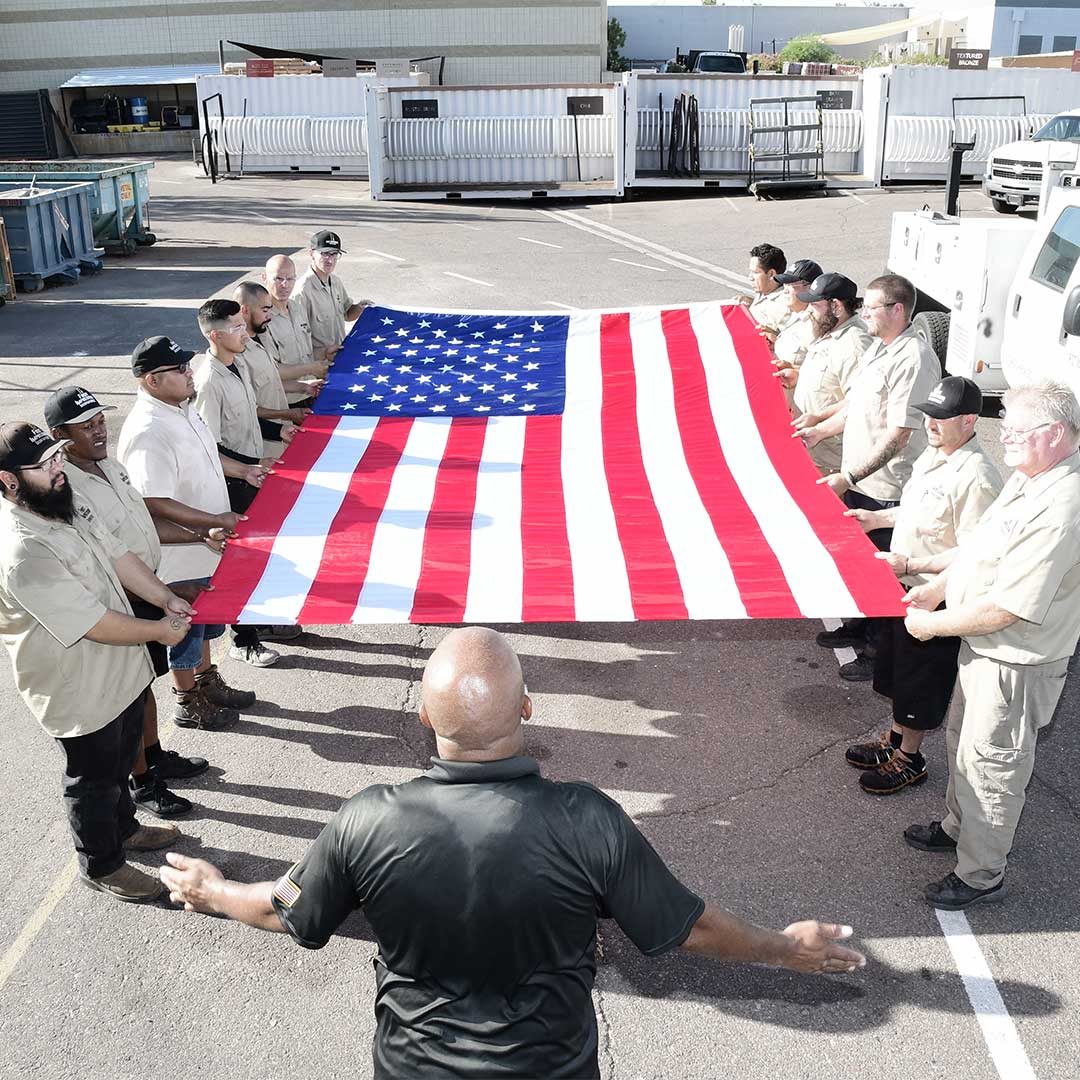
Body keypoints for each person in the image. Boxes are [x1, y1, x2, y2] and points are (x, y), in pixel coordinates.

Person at [162, 627, 866, 1078]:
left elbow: (286, 910)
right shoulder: (588, 819)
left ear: (424, 716)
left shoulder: (367, 819)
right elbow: (695, 927)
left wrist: (212, 889)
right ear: (528, 709)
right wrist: (783, 947)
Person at [903, 381, 1080, 910]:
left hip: (1014, 660)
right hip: (984, 648)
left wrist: (932, 626)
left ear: (1054, 434)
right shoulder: (1031, 478)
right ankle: (959, 828)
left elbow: (1010, 606)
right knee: (963, 744)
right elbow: (981, 547)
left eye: (1016, 433)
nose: (1003, 440)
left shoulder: (1063, 505)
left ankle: (980, 873)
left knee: (994, 765)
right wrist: (935, 589)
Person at [0, 422, 192, 903]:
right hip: (77, 684)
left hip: (119, 668)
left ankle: (125, 829)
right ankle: (102, 865)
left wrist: (164, 597)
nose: (57, 469)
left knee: (125, 755)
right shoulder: (23, 549)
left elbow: (119, 555)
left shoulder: (61, 502)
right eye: (43, 466)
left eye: (57, 457)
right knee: (92, 778)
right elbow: (91, 622)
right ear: (8, 481)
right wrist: (157, 630)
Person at [842, 377, 1002, 795]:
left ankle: (910, 759)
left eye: (942, 417)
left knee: (919, 682)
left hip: (936, 596)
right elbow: (916, 511)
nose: (930, 423)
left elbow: (975, 551)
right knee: (896, 673)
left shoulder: (978, 477)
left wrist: (912, 562)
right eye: (928, 414)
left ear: (969, 421)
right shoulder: (935, 457)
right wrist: (878, 520)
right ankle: (894, 740)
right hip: (903, 586)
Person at [795, 274, 940, 674]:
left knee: (886, 576)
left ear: (896, 310)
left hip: (886, 489)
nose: (863, 314)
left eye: (871, 308)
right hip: (860, 481)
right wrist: (819, 429)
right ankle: (859, 628)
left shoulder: (913, 359)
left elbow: (898, 435)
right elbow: (857, 405)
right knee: (862, 564)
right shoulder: (881, 347)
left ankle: (877, 654)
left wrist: (849, 477)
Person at [117, 337, 275, 694]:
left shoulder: (182, 408)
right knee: (184, 628)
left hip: (205, 543)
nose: (190, 373)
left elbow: (206, 454)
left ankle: (207, 679)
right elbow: (152, 501)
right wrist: (211, 524)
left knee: (203, 621)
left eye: (187, 365)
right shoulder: (149, 430)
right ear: (151, 380)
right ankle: (188, 698)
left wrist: (243, 470)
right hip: (178, 553)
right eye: (179, 369)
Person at [191, 301, 296, 664]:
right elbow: (210, 444)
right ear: (214, 334)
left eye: (242, 325)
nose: (243, 332)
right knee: (239, 560)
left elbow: (249, 416)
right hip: (232, 481)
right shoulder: (207, 381)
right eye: (236, 327)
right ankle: (243, 639)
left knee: (263, 553)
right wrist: (253, 464)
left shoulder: (238, 364)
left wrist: (278, 429)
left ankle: (262, 620)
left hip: (252, 473)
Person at [780, 273, 872, 476]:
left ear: (837, 307)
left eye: (815, 305)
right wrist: (797, 375)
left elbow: (859, 402)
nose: (810, 311)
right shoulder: (829, 331)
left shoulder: (854, 346)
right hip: (814, 450)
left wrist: (819, 419)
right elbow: (829, 380)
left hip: (832, 460)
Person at [232, 281, 308, 459]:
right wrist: (286, 414)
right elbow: (247, 409)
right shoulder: (237, 355)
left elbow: (271, 382)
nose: (270, 316)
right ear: (245, 310)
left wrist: (303, 386)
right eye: (265, 310)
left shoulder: (262, 339)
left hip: (281, 436)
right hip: (262, 446)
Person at [261, 254, 329, 409]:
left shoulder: (297, 308)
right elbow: (270, 371)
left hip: (310, 392)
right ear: (264, 278)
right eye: (278, 279)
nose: (285, 285)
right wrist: (311, 369)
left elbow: (305, 352)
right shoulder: (263, 319)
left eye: (290, 279)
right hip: (285, 403)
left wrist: (325, 352)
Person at [296, 230, 369, 363]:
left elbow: (347, 314)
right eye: (325, 254)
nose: (330, 260)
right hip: (319, 364)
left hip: (340, 357)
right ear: (311, 254)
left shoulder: (335, 282)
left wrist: (360, 307)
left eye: (335, 254)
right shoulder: (302, 291)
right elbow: (298, 339)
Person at [762, 258, 821, 373]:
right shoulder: (795, 315)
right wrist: (774, 341)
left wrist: (794, 370)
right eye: (784, 285)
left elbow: (823, 374)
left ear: (810, 288)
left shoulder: (818, 325)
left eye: (791, 285)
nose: (785, 291)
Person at [736, 242, 789, 333]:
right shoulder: (763, 291)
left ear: (771, 274)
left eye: (755, 273)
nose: (750, 277)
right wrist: (750, 302)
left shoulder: (783, 306)